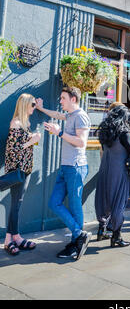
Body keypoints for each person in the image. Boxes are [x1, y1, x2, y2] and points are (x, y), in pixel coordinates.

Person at [36, 86, 92, 260]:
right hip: (65, 167)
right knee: (54, 203)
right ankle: (79, 234)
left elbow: (81, 142)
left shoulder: (81, 116)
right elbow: (56, 114)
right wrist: (40, 108)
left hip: (75, 167)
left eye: (63, 98)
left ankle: (76, 244)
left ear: (73, 99)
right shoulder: (70, 115)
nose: (60, 101)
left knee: (75, 207)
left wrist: (59, 132)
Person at [95, 104, 130, 247]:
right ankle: (116, 237)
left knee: (104, 199)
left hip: (105, 170)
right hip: (119, 171)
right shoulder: (124, 132)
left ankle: (101, 230)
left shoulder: (106, 131)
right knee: (118, 203)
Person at [3, 94, 41, 256]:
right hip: (17, 170)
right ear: (25, 104)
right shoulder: (16, 123)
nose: (34, 107)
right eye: (32, 104)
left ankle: (15, 237)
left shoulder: (26, 123)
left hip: (25, 169)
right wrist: (31, 141)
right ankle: (9, 240)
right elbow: (12, 150)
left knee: (17, 204)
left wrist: (32, 138)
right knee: (16, 205)